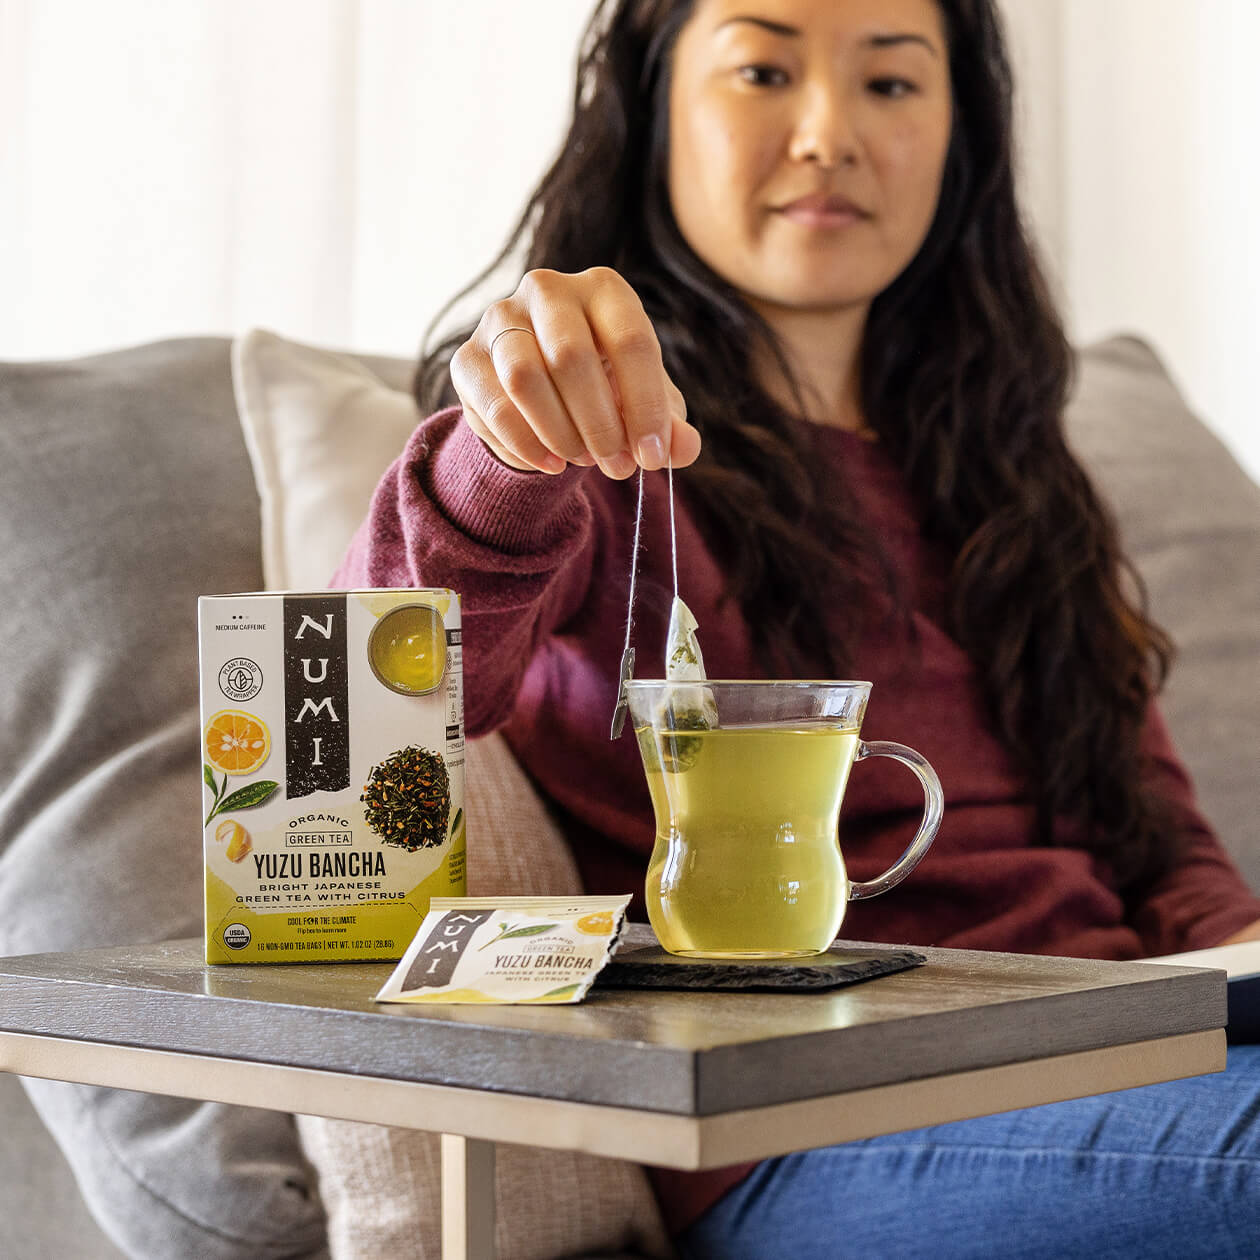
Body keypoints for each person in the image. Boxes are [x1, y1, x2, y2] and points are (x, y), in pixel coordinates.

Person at [337, 0, 1260, 1254]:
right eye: (765, 68)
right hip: (813, 1133)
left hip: (1132, 1051)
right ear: (656, 106)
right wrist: (507, 452)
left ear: (961, 135)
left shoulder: (1017, 478)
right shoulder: (603, 454)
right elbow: (368, 706)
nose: (829, 133)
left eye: (890, 83)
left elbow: (1167, 859)